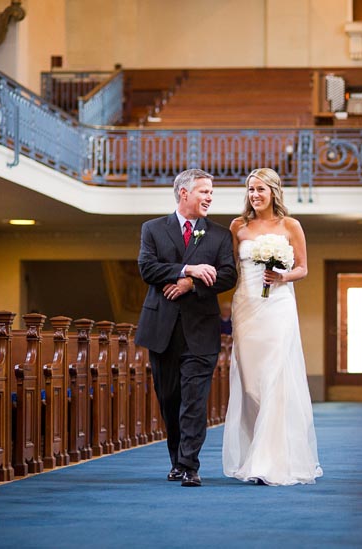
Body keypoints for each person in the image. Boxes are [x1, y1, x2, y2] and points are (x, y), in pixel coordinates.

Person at [135, 168, 237, 487]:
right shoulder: (152, 229)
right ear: (184, 193)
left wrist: (190, 285)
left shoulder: (219, 235)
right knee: (169, 399)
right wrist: (187, 268)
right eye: (204, 191)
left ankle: (189, 464)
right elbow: (147, 268)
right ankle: (176, 459)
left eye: (211, 193)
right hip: (162, 328)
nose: (209, 197)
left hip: (201, 329)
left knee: (194, 400)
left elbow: (228, 275)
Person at [222, 167, 323, 486]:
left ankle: (270, 461)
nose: (254, 195)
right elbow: (230, 268)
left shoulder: (290, 225)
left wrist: (282, 276)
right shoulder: (238, 226)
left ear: (273, 192)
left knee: (275, 378)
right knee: (251, 383)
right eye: (251, 189)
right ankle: (254, 449)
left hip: (278, 305)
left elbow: (303, 268)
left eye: (260, 189)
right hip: (247, 305)